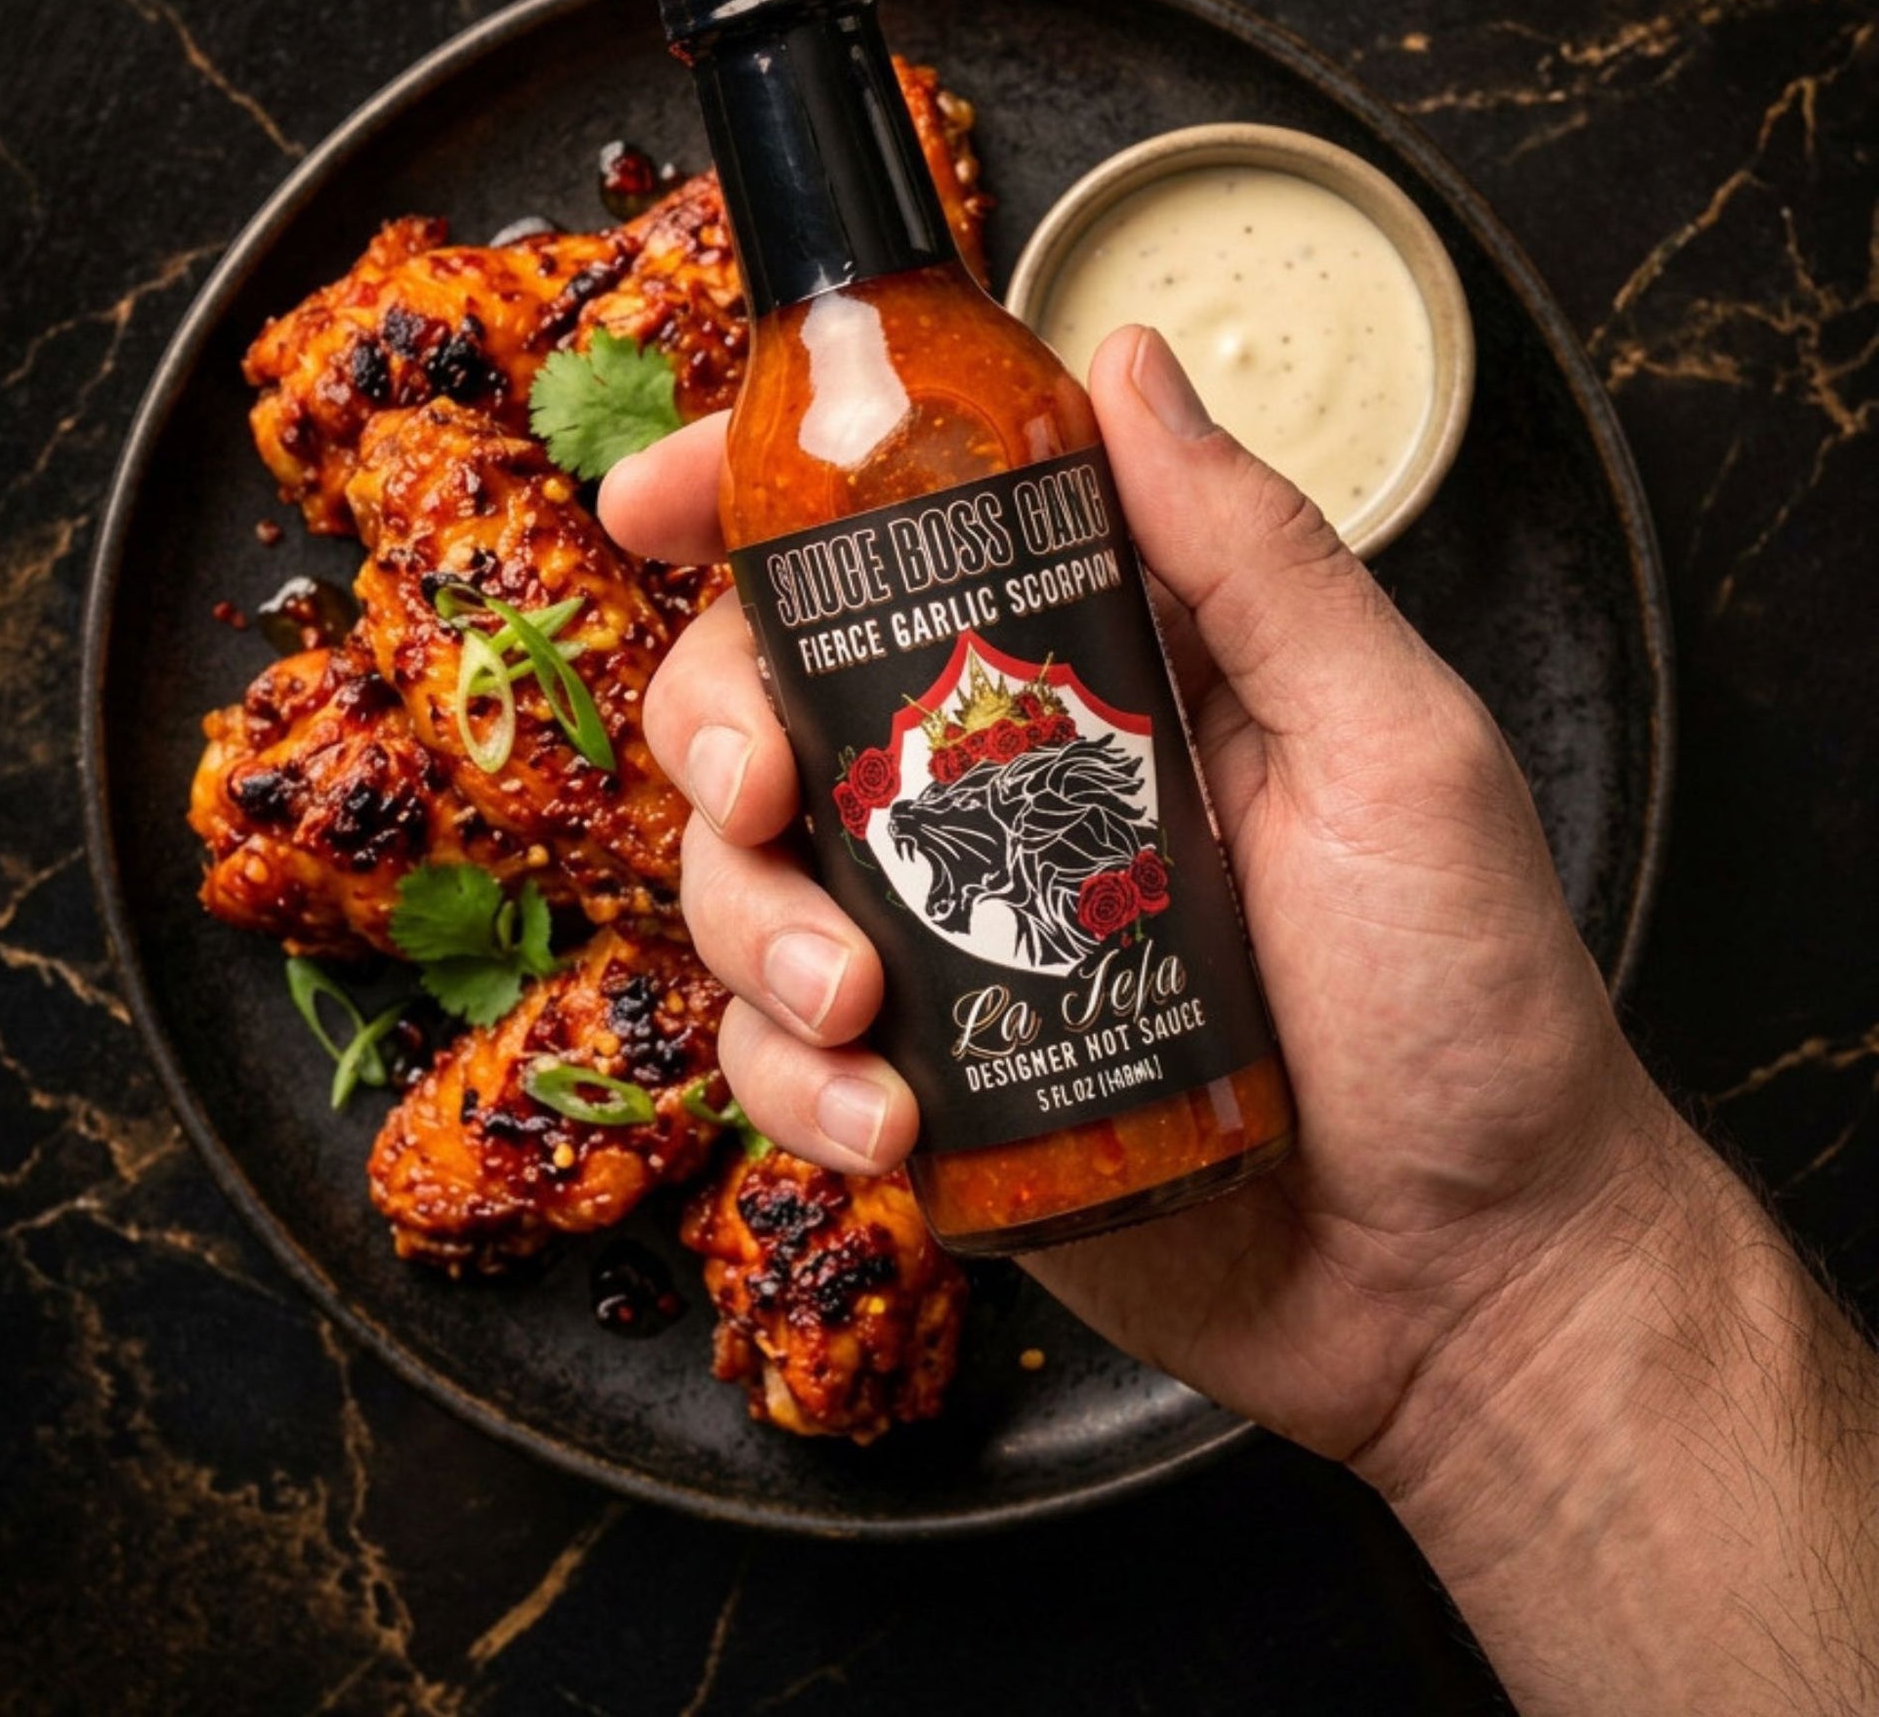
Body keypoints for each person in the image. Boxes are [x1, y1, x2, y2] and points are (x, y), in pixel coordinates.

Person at [600, 324, 1879, 1714]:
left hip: (1246, 1079)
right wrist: (1498, 1331)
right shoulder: (819, 429)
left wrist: (1520, 1273)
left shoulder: (980, 391)